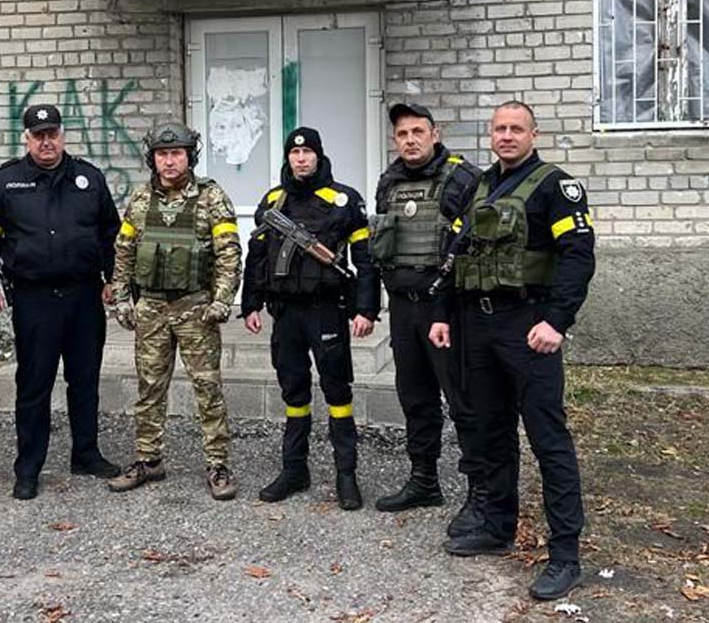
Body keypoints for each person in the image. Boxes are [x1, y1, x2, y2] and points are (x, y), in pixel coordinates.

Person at [432, 101, 595, 601]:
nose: (506, 136)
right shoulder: (480, 186)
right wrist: (442, 314)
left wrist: (557, 321)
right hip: (478, 325)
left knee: (548, 439)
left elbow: (578, 256)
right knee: (491, 432)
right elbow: (456, 253)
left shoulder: (555, 187)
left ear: (533, 134)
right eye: (499, 128)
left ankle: (565, 555)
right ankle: (497, 526)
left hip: (529, 325)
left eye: (516, 129)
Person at [0, 104, 122, 501]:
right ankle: (28, 468)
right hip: (34, 298)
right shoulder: (7, 181)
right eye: (38, 135)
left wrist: (113, 279)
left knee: (85, 379)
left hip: (83, 296)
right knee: (34, 383)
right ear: (26, 138)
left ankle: (86, 454)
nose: (46, 142)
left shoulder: (89, 178)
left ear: (62, 135)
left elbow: (111, 233)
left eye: (52, 134)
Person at [241, 127, 380, 511]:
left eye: (307, 152)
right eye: (295, 153)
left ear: (319, 155)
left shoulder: (344, 200)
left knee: (337, 390)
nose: (301, 159)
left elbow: (365, 260)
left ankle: (346, 475)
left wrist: (366, 309)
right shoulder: (273, 201)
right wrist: (250, 303)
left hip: (326, 309)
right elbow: (257, 256)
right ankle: (294, 469)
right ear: (288, 157)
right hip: (285, 312)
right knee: (293, 390)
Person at [106, 122, 242, 501]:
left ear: (189, 157)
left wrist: (222, 300)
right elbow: (124, 252)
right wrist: (121, 298)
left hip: (195, 308)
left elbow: (229, 254)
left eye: (176, 154)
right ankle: (148, 460)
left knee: (207, 388)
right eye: (162, 155)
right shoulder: (140, 200)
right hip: (150, 307)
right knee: (149, 388)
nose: (169, 161)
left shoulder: (211, 198)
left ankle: (218, 465)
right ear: (152, 159)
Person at [370, 102, 487, 537]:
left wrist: (451, 306)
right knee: (415, 397)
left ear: (435, 134)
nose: (410, 140)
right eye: (402, 134)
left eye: (418, 132)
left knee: (463, 400)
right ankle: (424, 481)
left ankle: (480, 493)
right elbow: (381, 244)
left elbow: (474, 246)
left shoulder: (463, 178)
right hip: (403, 307)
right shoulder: (389, 181)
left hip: (448, 309)